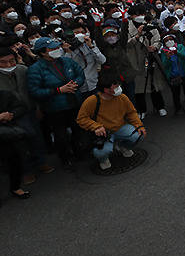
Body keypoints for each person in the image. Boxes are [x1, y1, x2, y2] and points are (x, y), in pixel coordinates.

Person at [27, 37, 86, 170]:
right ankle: (65, 158)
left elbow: (80, 74)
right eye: (52, 49)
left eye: (57, 47)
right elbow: (35, 91)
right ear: (42, 52)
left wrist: (75, 84)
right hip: (55, 108)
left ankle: (79, 151)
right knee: (61, 136)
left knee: (78, 129)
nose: (57, 50)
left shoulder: (66, 61)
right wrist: (58, 90)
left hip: (74, 102)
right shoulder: (35, 69)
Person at [0, 47, 54, 184]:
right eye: (3, 62)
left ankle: (41, 162)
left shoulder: (23, 70)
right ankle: (26, 171)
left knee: (36, 137)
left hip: (30, 110)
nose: (8, 65)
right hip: (9, 117)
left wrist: (38, 108)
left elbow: (33, 90)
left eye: (11, 61)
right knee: (19, 146)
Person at [76, 71, 146, 170]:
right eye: (115, 87)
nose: (119, 88)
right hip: (104, 133)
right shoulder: (92, 101)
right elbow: (81, 119)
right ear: (106, 89)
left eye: (118, 85)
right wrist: (96, 126)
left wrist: (139, 125)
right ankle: (103, 159)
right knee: (101, 152)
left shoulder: (122, 97)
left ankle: (123, 146)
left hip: (120, 128)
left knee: (139, 134)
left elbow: (131, 113)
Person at [0, 89, 32, 201]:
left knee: (14, 159)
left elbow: (22, 107)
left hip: (7, 134)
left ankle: (15, 187)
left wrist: (11, 114)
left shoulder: (4, 94)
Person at [66, 22, 106, 97]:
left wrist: (91, 46)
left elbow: (102, 60)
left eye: (82, 32)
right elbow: (66, 66)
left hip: (94, 85)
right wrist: (69, 51)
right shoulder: (68, 47)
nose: (80, 34)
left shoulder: (90, 43)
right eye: (77, 33)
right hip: (79, 88)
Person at [159, 34, 185, 116]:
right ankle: (177, 108)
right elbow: (164, 65)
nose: (169, 41)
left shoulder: (180, 46)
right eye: (166, 40)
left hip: (184, 73)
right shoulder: (164, 51)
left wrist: (176, 52)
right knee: (175, 93)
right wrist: (167, 57)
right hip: (173, 75)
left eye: (170, 39)